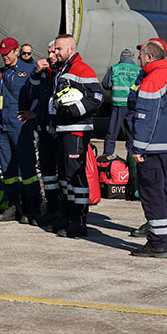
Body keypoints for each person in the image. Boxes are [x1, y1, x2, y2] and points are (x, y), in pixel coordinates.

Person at [129, 38, 167, 242]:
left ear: (150, 55)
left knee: (154, 194)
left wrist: (137, 148)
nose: (139, 58)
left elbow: (145, 117)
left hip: (153, 147)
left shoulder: (153, 79)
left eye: (141, 55)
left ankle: (157, 242)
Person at [49, 34, 104, 237]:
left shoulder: (82, 69)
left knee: (75, 177)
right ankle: (68, 214)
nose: (55, 52)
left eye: (58, 49)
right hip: (62, 130)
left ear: (71, 50)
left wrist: (75, 110)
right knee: (64, 177)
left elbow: (96, 96)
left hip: (76, 131)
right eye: (54, 49)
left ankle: (79, 221)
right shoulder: (64, 69)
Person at [0, 37, 41, 224]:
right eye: (2, 54)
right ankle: (14, 205)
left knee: (27, 167)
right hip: (4, 126)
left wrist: (34, 113)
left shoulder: (29, 71)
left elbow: (41, 95)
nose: (4, 56)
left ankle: (33, 207)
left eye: (7, 53)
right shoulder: (2, 72)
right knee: (8, 169)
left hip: (20, 126)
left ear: (16, 52)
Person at [22, 41, 63, 229]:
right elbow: (31, 93)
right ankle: (52, 210)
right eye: (49, 52)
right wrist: (36, 73)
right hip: (44, 129)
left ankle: (65, 213)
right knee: (47, 174)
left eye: (54, 51)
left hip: (60, 131)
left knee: (61, 174)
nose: (51, 55)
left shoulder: (64, 72)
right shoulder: (45, 72)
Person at [101, 49, 139, 157]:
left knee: (112, 133)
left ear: (121, 58)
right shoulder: (138, 70)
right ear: (131, 58)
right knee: (132, 134)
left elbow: (106, 84)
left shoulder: (114, 68)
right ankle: (132, 160)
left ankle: (107, 157)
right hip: (132, 106)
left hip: (117, 105)